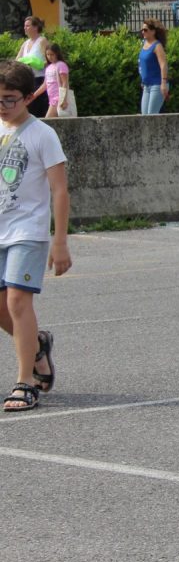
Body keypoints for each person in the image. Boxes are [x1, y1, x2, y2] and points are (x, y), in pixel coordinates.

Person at [0, 61, 71, 412]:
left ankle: (25, 382)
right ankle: (38, 347)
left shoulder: (42, 135)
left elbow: (60, 190)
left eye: (9, 99)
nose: (2, 106)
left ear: (29, 97)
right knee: (2, 309)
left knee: (17, 302)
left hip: (27, 231)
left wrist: (60, 241)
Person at [17, 16, 48, 117]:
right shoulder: (25, 43)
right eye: (24, 26)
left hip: (39, 80)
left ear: (35, 27)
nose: (25, 28)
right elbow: (16, 61)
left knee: (38, 110)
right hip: (26, 80)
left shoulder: (42, 41)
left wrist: (37, 63)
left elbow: (49, 60)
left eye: (27, 26)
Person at [138, 19, 170, 115]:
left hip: (157, 85)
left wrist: (163, 84)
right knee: (144, 116)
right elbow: (142, 64)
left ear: (153, 31)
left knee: (151, 116)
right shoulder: (144, 44)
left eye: (145, 30)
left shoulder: (157, 46)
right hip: (146, 86)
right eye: (142, 30)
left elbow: (163, 64)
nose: (143, 32)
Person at [35, 44, 70, 118]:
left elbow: (65, 82)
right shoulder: (49, 67)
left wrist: (63, 99)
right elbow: (45, 85)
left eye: (52, 54)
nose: (50, 57)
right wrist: (34, 95)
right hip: (51, 99)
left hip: (58, 98)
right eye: (48, 54)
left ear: (57, 54)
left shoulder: (61, 65)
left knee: (48, 120)